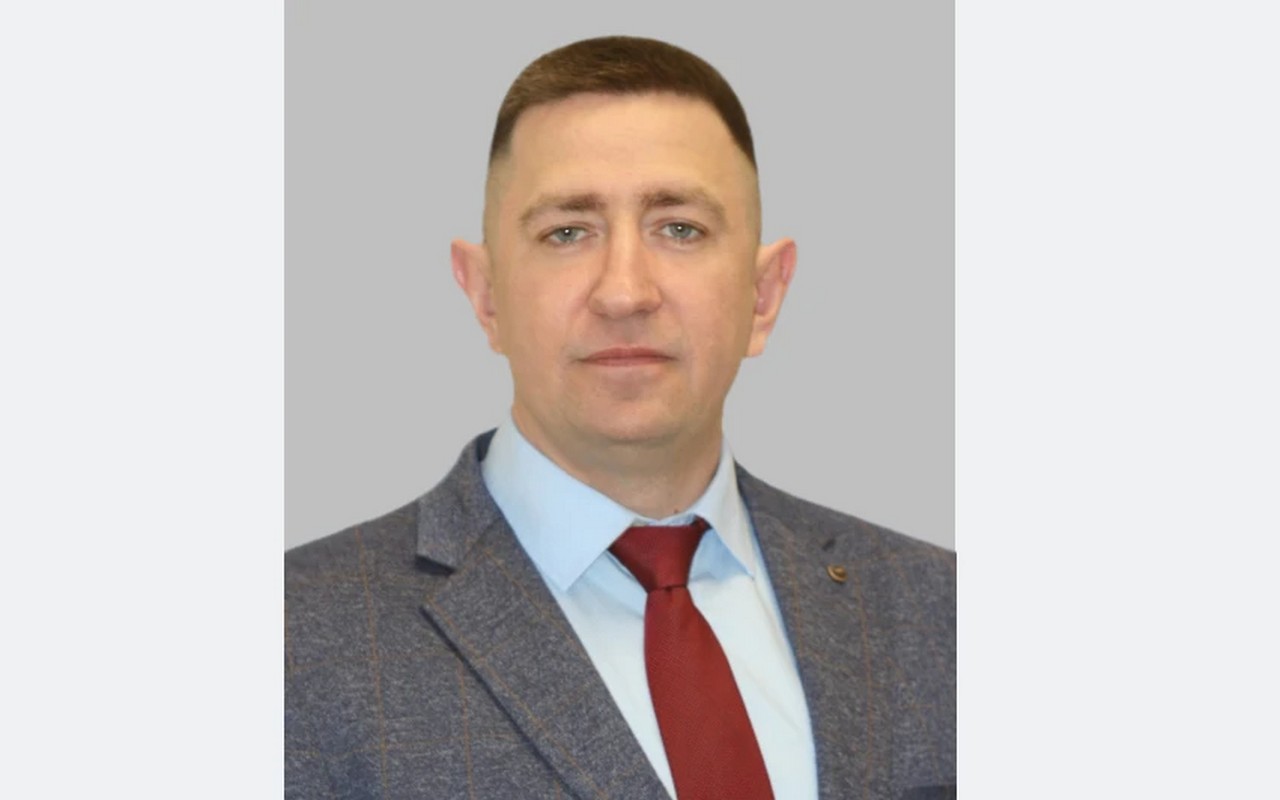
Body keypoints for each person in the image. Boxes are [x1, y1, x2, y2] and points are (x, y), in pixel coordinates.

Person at [285, 35, 955, 800]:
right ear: (486, 295)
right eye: (567, 232)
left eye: (680, 228)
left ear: (764, 296)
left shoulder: (940, 612)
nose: (625, 292)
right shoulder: (291, 641)